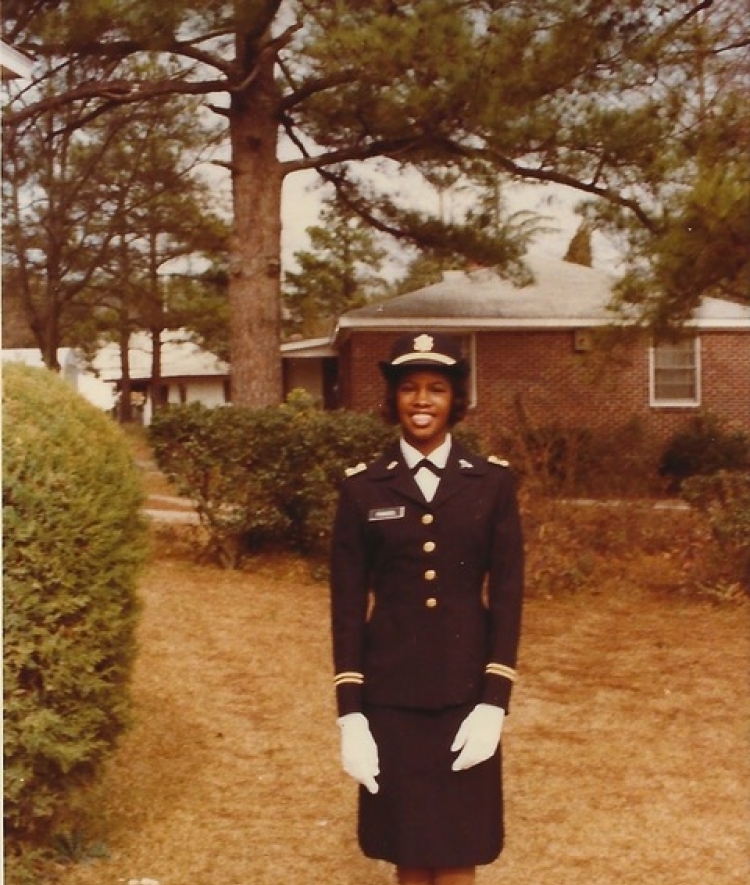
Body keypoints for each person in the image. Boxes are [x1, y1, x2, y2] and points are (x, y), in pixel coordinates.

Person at [330, 332, 524, 885]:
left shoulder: (491, 483)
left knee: (462, 847)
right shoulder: (363, 490)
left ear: (454, 400)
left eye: (436, 388)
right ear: (392, 399)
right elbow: (345, 608)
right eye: (409, 388)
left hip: (466, 697)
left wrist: (495, 701)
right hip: (391, 699)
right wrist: (351, 714)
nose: (421, 400)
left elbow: (508, 597)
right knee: (409, 849)